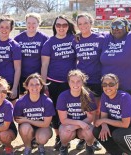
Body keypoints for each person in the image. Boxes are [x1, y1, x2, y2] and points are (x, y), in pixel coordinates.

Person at [41, 15, 76, 150]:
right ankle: (58, 136)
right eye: (58, 25)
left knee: (72, 110)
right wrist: (44, 85)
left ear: (68, 27)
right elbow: (44, 65)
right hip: (54, 82)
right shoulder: (49, 43)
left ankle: (72, 137)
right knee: (56, 110)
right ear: (54, 27)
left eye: (64, 25)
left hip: (71, 83)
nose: (61, 28)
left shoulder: (74, 39)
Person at [93, 73, 131, 155]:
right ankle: (119, 153)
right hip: (123, 130)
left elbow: (125, 124)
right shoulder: (104, 96)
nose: (107, 87)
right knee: (97, 130)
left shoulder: (124, 98)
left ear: (117, 85)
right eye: (104, 84)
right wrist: (104, 125)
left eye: (111, 84)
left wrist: (104, 120)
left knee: (119, 135)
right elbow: (103, 115)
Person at [73, 13, 104, 151]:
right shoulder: (76, 40)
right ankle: (83, 138)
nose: (83, 26)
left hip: (97, 79)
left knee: (96, 111)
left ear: (91, 23)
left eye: (86, 23)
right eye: (80, 24)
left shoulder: (100, 38)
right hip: (82, 81)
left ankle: (95, 138)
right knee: (83, 110)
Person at [57, 70, 97, 155]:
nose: (75, 84)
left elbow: (90, 118)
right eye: (72, 81)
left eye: (78, 81)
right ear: (68, 82)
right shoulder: (63, 96)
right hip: (68, 125)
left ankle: (89, 146)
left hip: (84, 124)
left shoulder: (88, 96)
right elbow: (63, 120)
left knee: (90, 131)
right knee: (65, 131)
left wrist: (77, 126)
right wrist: (78, 123)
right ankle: (64, 147)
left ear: (83, 82)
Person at [14, 73, 55, 155]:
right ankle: (28, 147)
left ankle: (40, 145)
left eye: (37, 84)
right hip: (28, 128)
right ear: (27, 86)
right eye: (31, 84)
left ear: (41, 86)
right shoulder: (21, 101)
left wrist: (27, 120)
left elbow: (46, 124)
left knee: (42, 138)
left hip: (43, 128)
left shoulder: (47, 101)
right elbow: (17, 119)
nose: (34, 87)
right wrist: (27, 122)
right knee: (25, 128)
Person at [14, 13, 49, 95]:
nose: (31, 25)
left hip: (37, 76)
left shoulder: (44, 38)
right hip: (22, 75)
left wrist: (43, 81)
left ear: (38, 23)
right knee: (23, 99)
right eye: (28, 23)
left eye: (34, 23)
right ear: (25, 23)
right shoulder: (18, 38)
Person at [0, 16, 21, 103]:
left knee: (10, 111)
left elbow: (18, 68)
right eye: (2, 27)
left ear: (11, 29)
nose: (4, 29)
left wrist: (15, 87)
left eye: (7, 27)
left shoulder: (15, 45)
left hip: (10, 82)